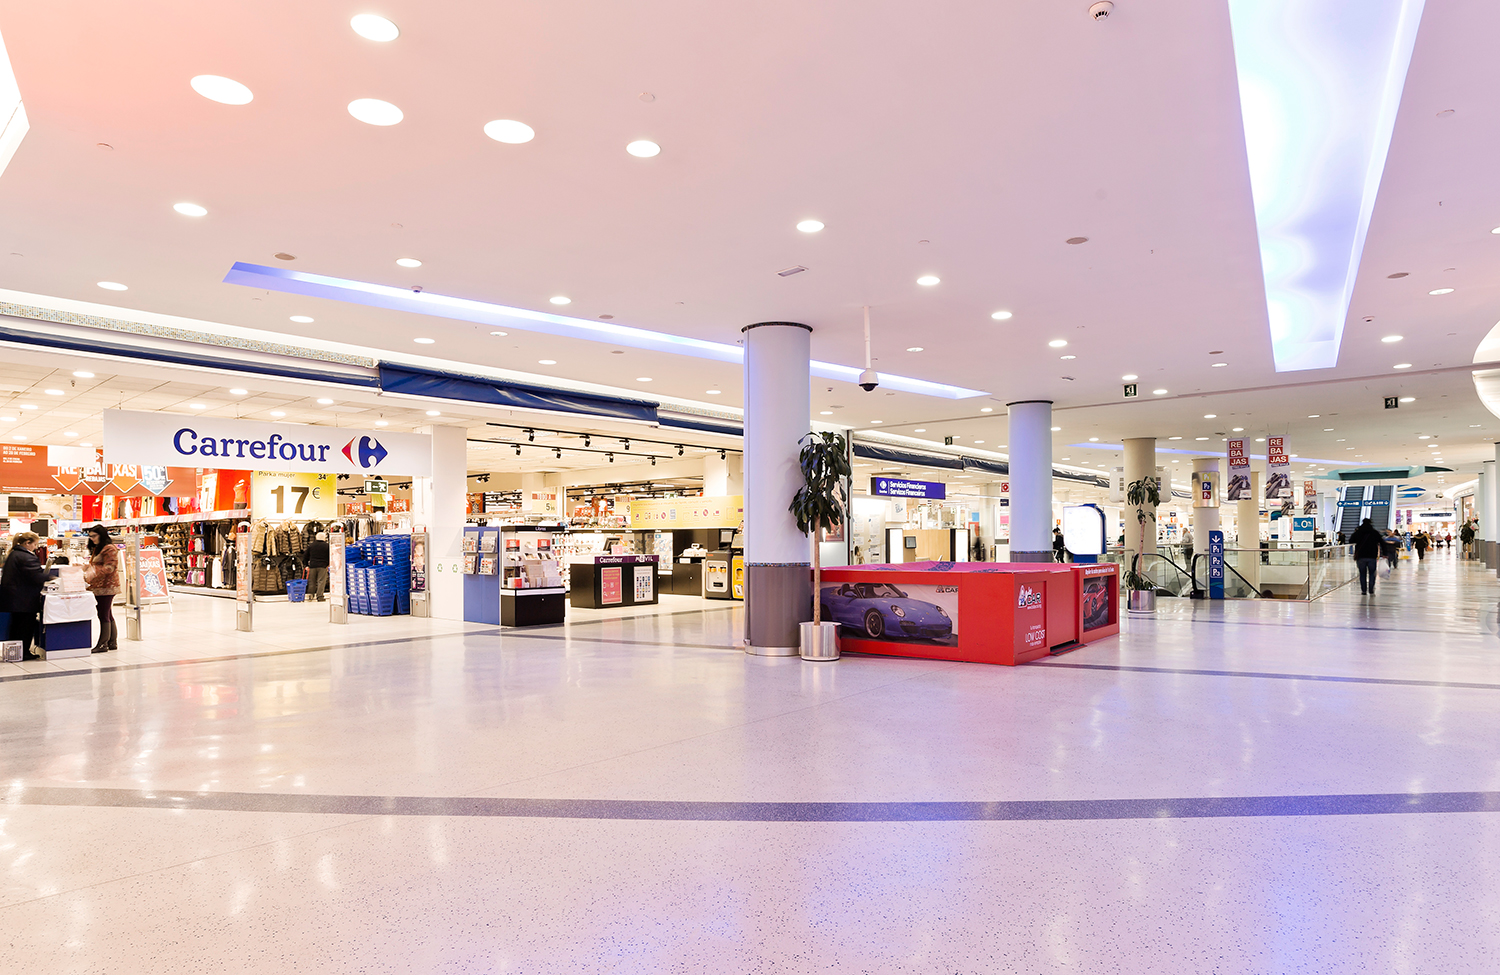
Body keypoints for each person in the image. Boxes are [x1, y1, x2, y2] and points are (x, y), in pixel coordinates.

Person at [0, 532, 48, 656]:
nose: (36, 547)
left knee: (16, 626)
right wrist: (52, 578)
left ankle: (14, 652)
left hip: (14, 599)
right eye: (35, 544)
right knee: (25, 627)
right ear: (27, 543)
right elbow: (36, 576)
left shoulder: (13, 554)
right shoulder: (26, 557)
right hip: (25, 600)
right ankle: (24, 653)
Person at [84, 524, 120, 653]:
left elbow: (110, 567)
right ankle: (112, 642)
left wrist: (93, 571)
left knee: (103, 614)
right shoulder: (98, 548)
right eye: (90, 536)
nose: (92, 539)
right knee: (107, 614)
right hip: (100, 587)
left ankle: (102, 644)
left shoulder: (109, 548)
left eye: (94, 536)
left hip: (107, 586)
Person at [1350, 518, 1382, 596]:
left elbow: (1351, 541)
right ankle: (1371, 589)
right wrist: (1384, 553)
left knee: (1362, 574)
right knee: (1372, 573)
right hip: (1372, 556)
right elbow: (1381, 542)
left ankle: (1363, 590)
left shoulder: (1358, 532)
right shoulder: (1374, 532)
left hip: (1361, 556)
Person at [305, 531, 331, 601]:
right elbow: (330, 556)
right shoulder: (327, 545)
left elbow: (306, 556)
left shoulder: (311, 545)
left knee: (312, 581)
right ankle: (320, 596)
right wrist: (328, 564)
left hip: (312, 565)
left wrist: (306, 565)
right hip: (322, 566)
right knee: (321, 581)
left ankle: (310, 595)